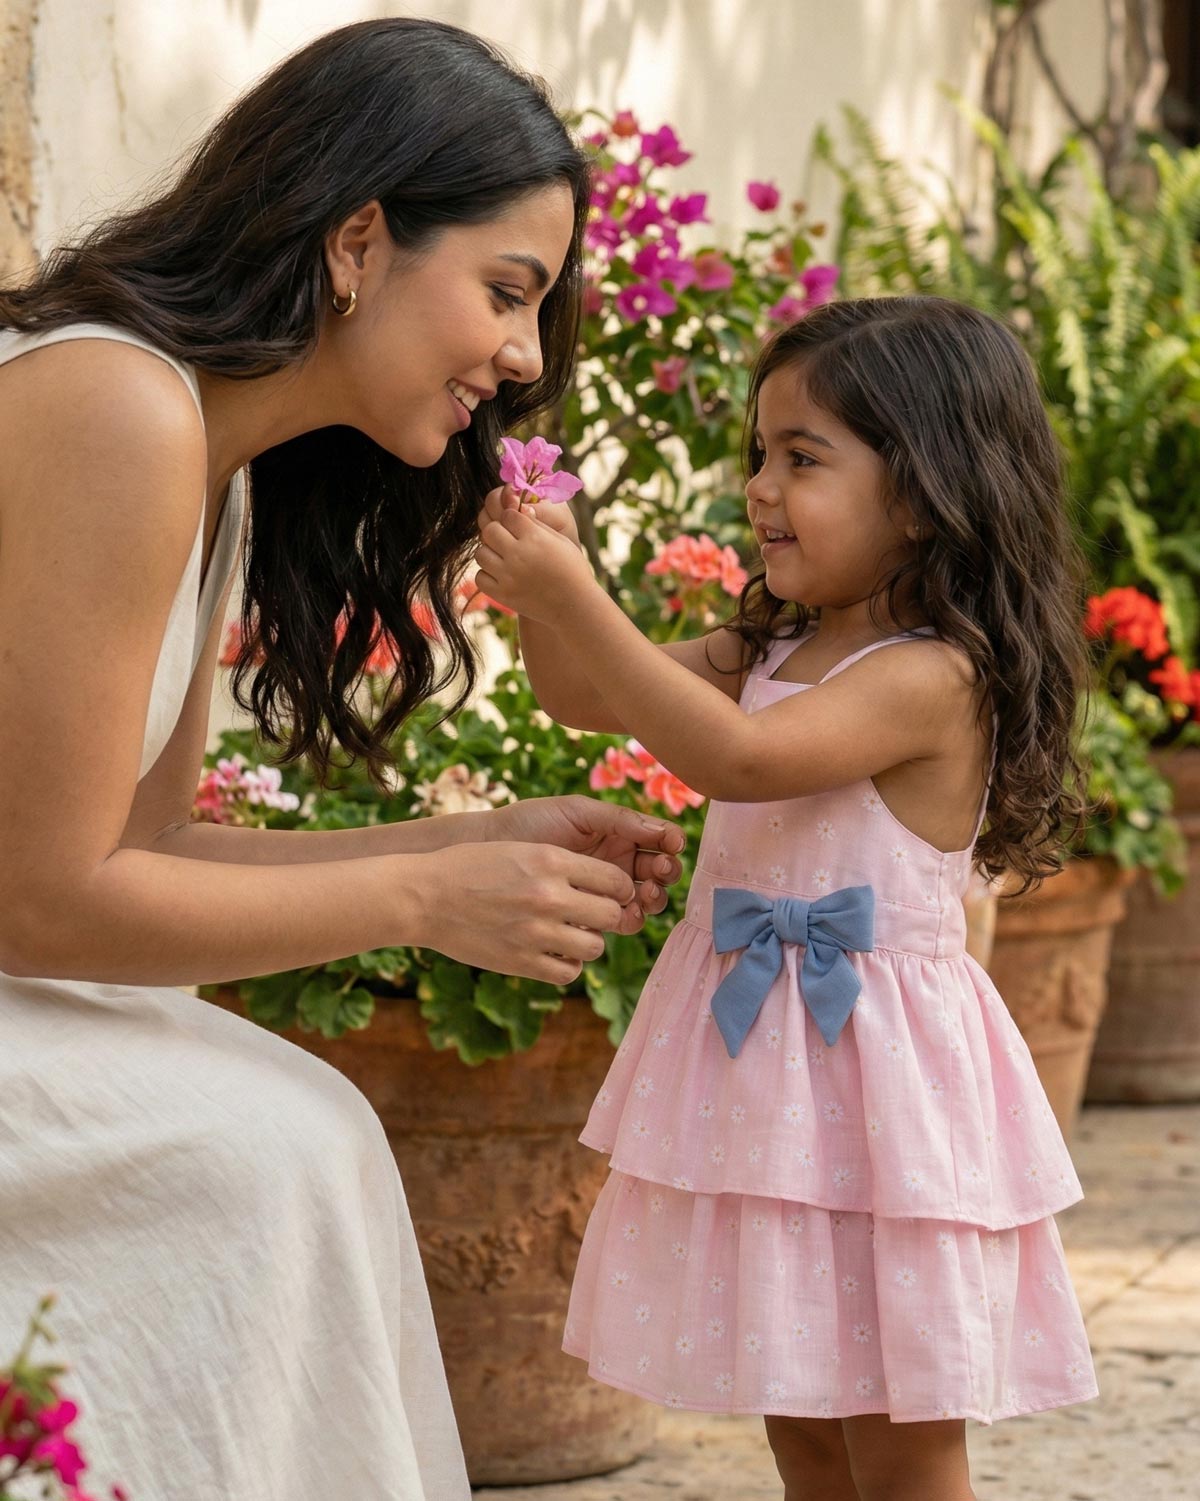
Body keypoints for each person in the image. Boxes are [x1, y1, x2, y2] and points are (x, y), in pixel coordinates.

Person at [0, 19, 686, 1501]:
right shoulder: (111, 404)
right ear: (358, 238)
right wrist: (425, 902)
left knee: (300, 1132)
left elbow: (145, 845)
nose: (519, 357)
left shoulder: (204, 462)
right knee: (274, 1146)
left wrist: (464, 847)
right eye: (507, 291)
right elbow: (41, 902)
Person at [473, 295, 1100, 1501]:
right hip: (774, 1082)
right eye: (757, 454)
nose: (760, 486)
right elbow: (588, 696)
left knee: (900, 1429)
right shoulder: (769, 650)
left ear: (926, 490)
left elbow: (739, 761)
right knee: (802, 1412)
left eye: (802, 458)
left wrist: (576, 599)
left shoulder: (932, 674)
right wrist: (555, 585)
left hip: (885, 1094)